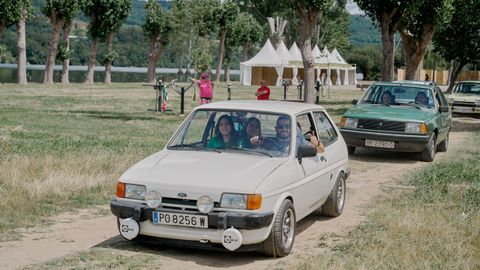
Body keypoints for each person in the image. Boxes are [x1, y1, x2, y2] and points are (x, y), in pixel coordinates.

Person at [252, 116, 324, 154]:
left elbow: (321, 151)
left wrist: (317, 143)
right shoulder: (267, 142)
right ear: (276, 129)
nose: (284, 129)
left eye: (287, 126)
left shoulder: (298, 141)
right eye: (280, 127)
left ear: (292, 128)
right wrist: (255, 144)